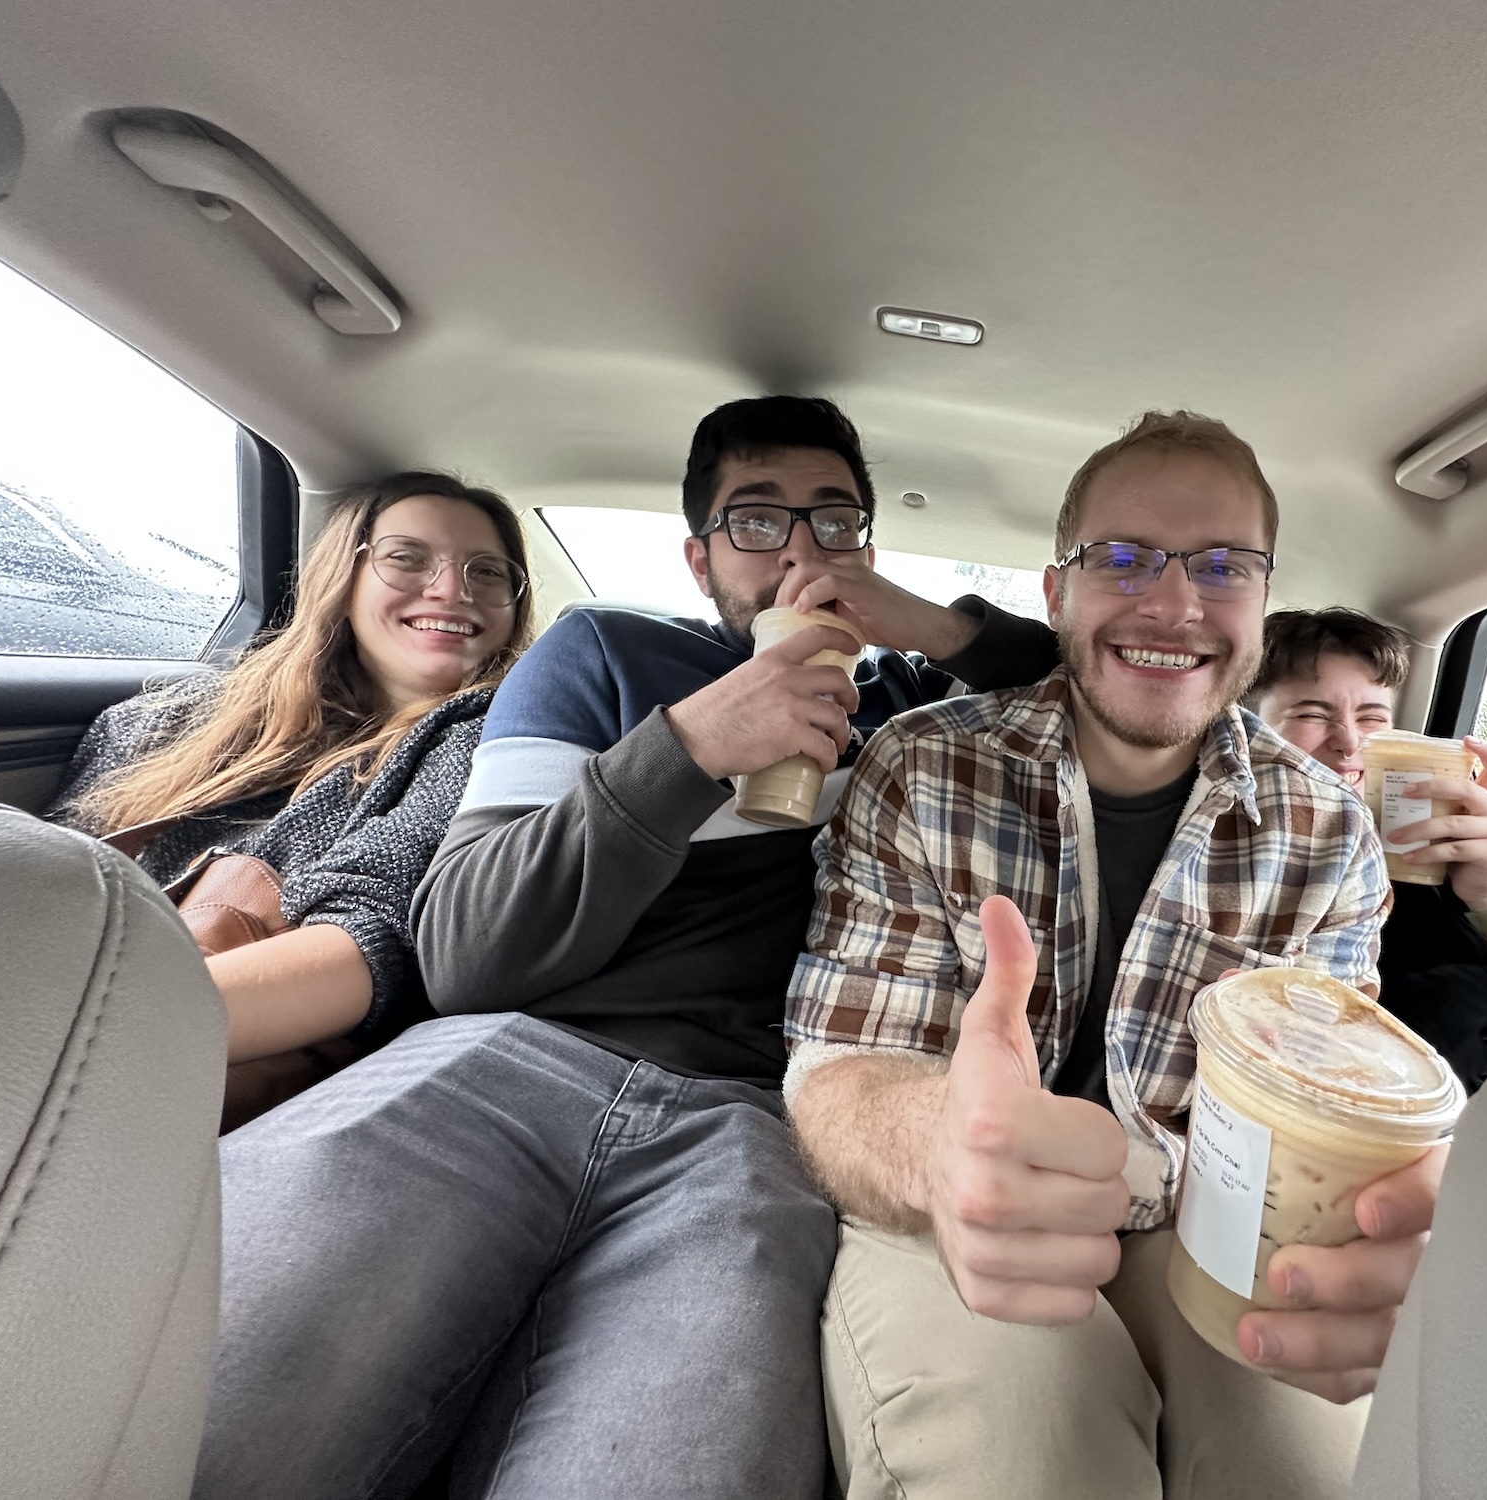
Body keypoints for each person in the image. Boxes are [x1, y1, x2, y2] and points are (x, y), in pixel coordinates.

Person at [186, 396, 1060, 1500]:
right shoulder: (603, 650)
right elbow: (466, 955)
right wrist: (690, 744)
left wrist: (929, 626)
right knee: (197, 1399)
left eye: (835, 522)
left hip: (753, 1122)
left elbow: (1092, 691)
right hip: (502, 1061)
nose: (799, 551)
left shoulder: (914, 706)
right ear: (700, 561)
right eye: (756, 521)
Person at [785, 411, 1435, 1500]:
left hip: (1206, 1219)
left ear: (1260, 603)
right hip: (942, 1212)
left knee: (1316, 1470)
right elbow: (837, 1067)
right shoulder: (919, 766)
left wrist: (1384, 1211)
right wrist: (944, 1145)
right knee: (1032, 1454)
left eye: (1221, 566)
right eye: (1123, 559)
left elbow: (1317, 1113)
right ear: (1056, 594)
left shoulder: (1330, 832)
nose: (1173, 605)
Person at [49, 471, 532, 1114]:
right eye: (407, 558)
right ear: (342, 575)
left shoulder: (490, 741)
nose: (451, 589)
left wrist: (67, 1037)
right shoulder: (176, 717)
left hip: (148, 1058)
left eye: (487, 571)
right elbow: (57, 872)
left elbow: (370, 936)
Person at [1249, 607, 1487, 1093]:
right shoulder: (1227, 865)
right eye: (1310, 714)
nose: (1349, 742)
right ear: (1245, 732)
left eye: (1372, 718)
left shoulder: (1460, 845)